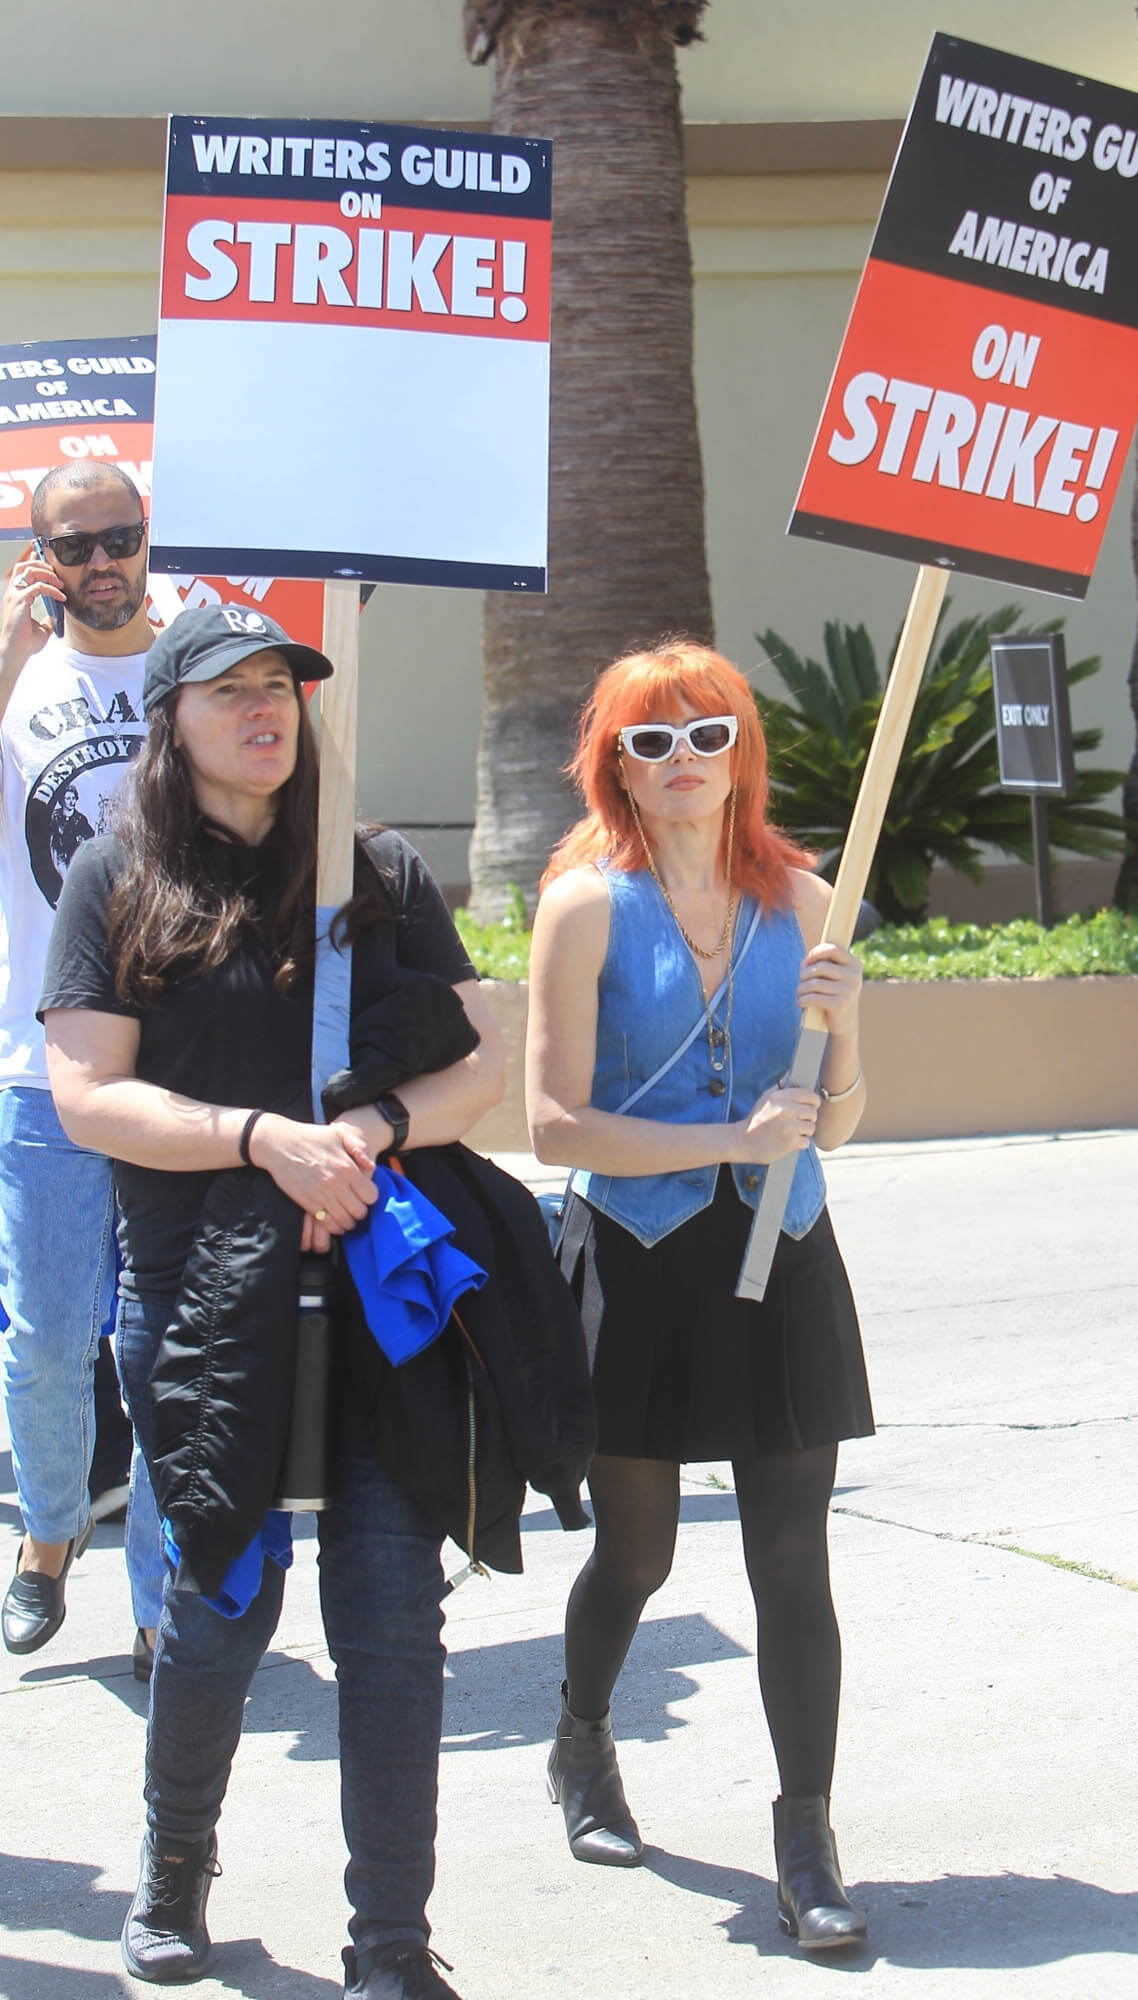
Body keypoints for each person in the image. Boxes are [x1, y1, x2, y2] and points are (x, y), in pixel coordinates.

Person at [40, 605, 505, 1998]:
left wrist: (366, 1132)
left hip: (372, 1289)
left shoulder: (374, 869)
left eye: (281, 686)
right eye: (229, 688)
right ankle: (174, 1870)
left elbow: (482, 1068)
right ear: (169, 718)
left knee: (392, 1612)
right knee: (224, 1599)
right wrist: (261, 1141)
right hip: (197, 1296)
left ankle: (391, 1940)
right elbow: (88, 1097)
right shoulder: (119, 875)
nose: (264, 708)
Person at [526, 639, 874, 1950]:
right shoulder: (584, 907)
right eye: (651, 739)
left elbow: (839, 1121)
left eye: (708, 734)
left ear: (743, 754)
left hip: (786, 1251)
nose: (683, 760)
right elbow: (553, 1126)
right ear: (614, 764)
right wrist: (729, 1138)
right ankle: (581, 1738)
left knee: (792, 1556)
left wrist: (844, 1025)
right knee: (640, 1551)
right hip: (636, 1256)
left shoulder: (811, 901)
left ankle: (806, 1838)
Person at [0, 462, 163, 1664]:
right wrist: (10, 649)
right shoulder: (21, 680)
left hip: (180, 1064)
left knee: (165, 1345)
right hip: (39, 1058)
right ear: (41, 557)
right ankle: (50, 1529)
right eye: (75, 545)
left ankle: (164, 1599)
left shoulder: (195, 664)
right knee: (49, 1335)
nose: (101, 562)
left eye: (120, 537)